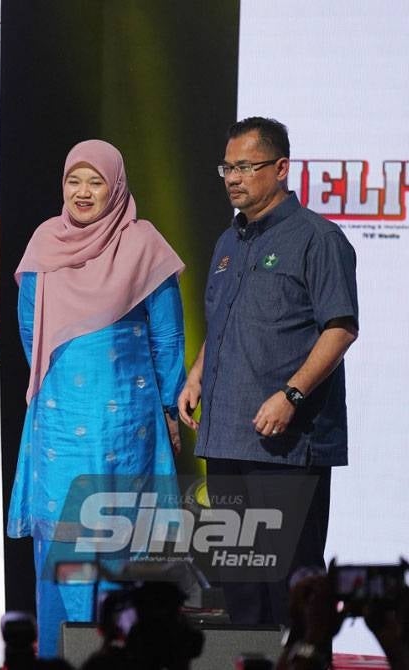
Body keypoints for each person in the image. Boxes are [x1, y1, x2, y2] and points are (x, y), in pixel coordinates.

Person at [7, 140, 186, 658]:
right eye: (73, 181)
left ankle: (118, 654)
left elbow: (168, 337)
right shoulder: (45, 241)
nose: (83, 193)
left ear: (117, 186)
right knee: (63, 531)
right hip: (59, 420)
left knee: (116, 529)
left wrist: (171, 407)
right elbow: (27, 326)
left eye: (95, 182)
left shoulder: (144, 244)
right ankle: (59, 655)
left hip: (125, 424)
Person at [177, 117, 359, 625]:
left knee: (289, 583)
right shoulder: (228, 241)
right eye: (227, 168)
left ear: (281, 169)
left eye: (245, 167)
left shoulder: (318, 239)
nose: (233, 178)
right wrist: (197, 373)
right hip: (228, 438)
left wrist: (291, 395)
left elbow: (340, 328)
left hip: (286, 443)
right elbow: (227, 320)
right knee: (240, 584)